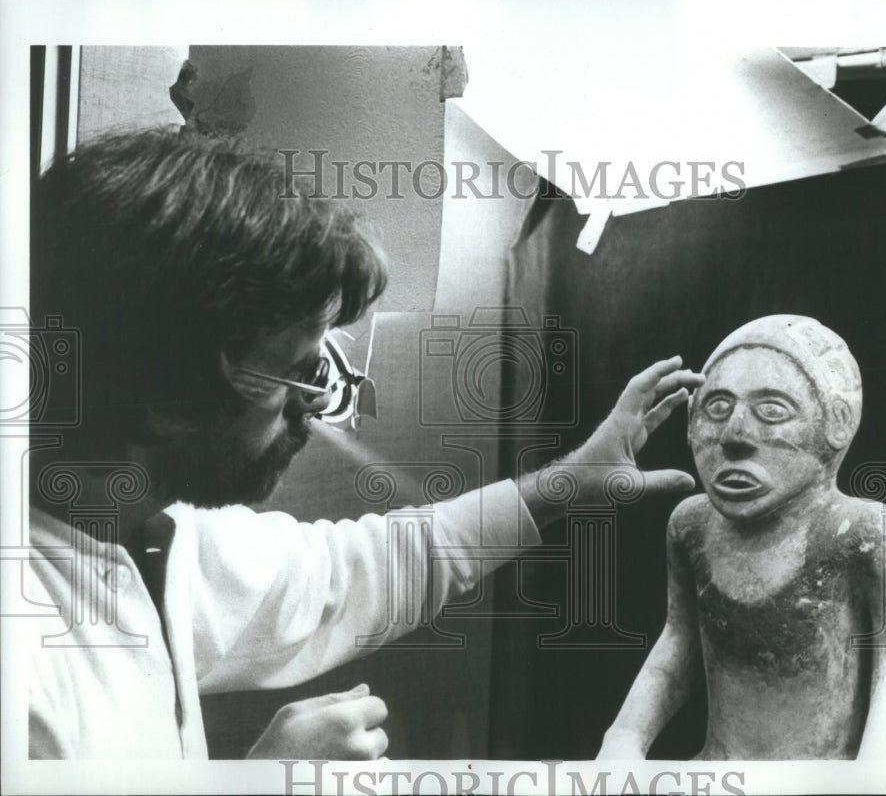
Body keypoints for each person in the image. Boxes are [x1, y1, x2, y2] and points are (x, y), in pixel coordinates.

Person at [25, 129, 704, 759]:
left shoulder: (153, 531)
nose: (312, 414)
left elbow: (361, 568)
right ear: (165, 391)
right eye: (295, 373)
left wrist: (567, 485)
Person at [597, 315, 886, 760]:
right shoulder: (691, 526)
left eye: (772, 410)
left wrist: (873, 775)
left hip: (824, 784)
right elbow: (680, 642)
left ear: (835, 423)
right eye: (717, 407)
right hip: (720, 775)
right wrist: (624, 737)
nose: (736, 435)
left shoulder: (864, 530)